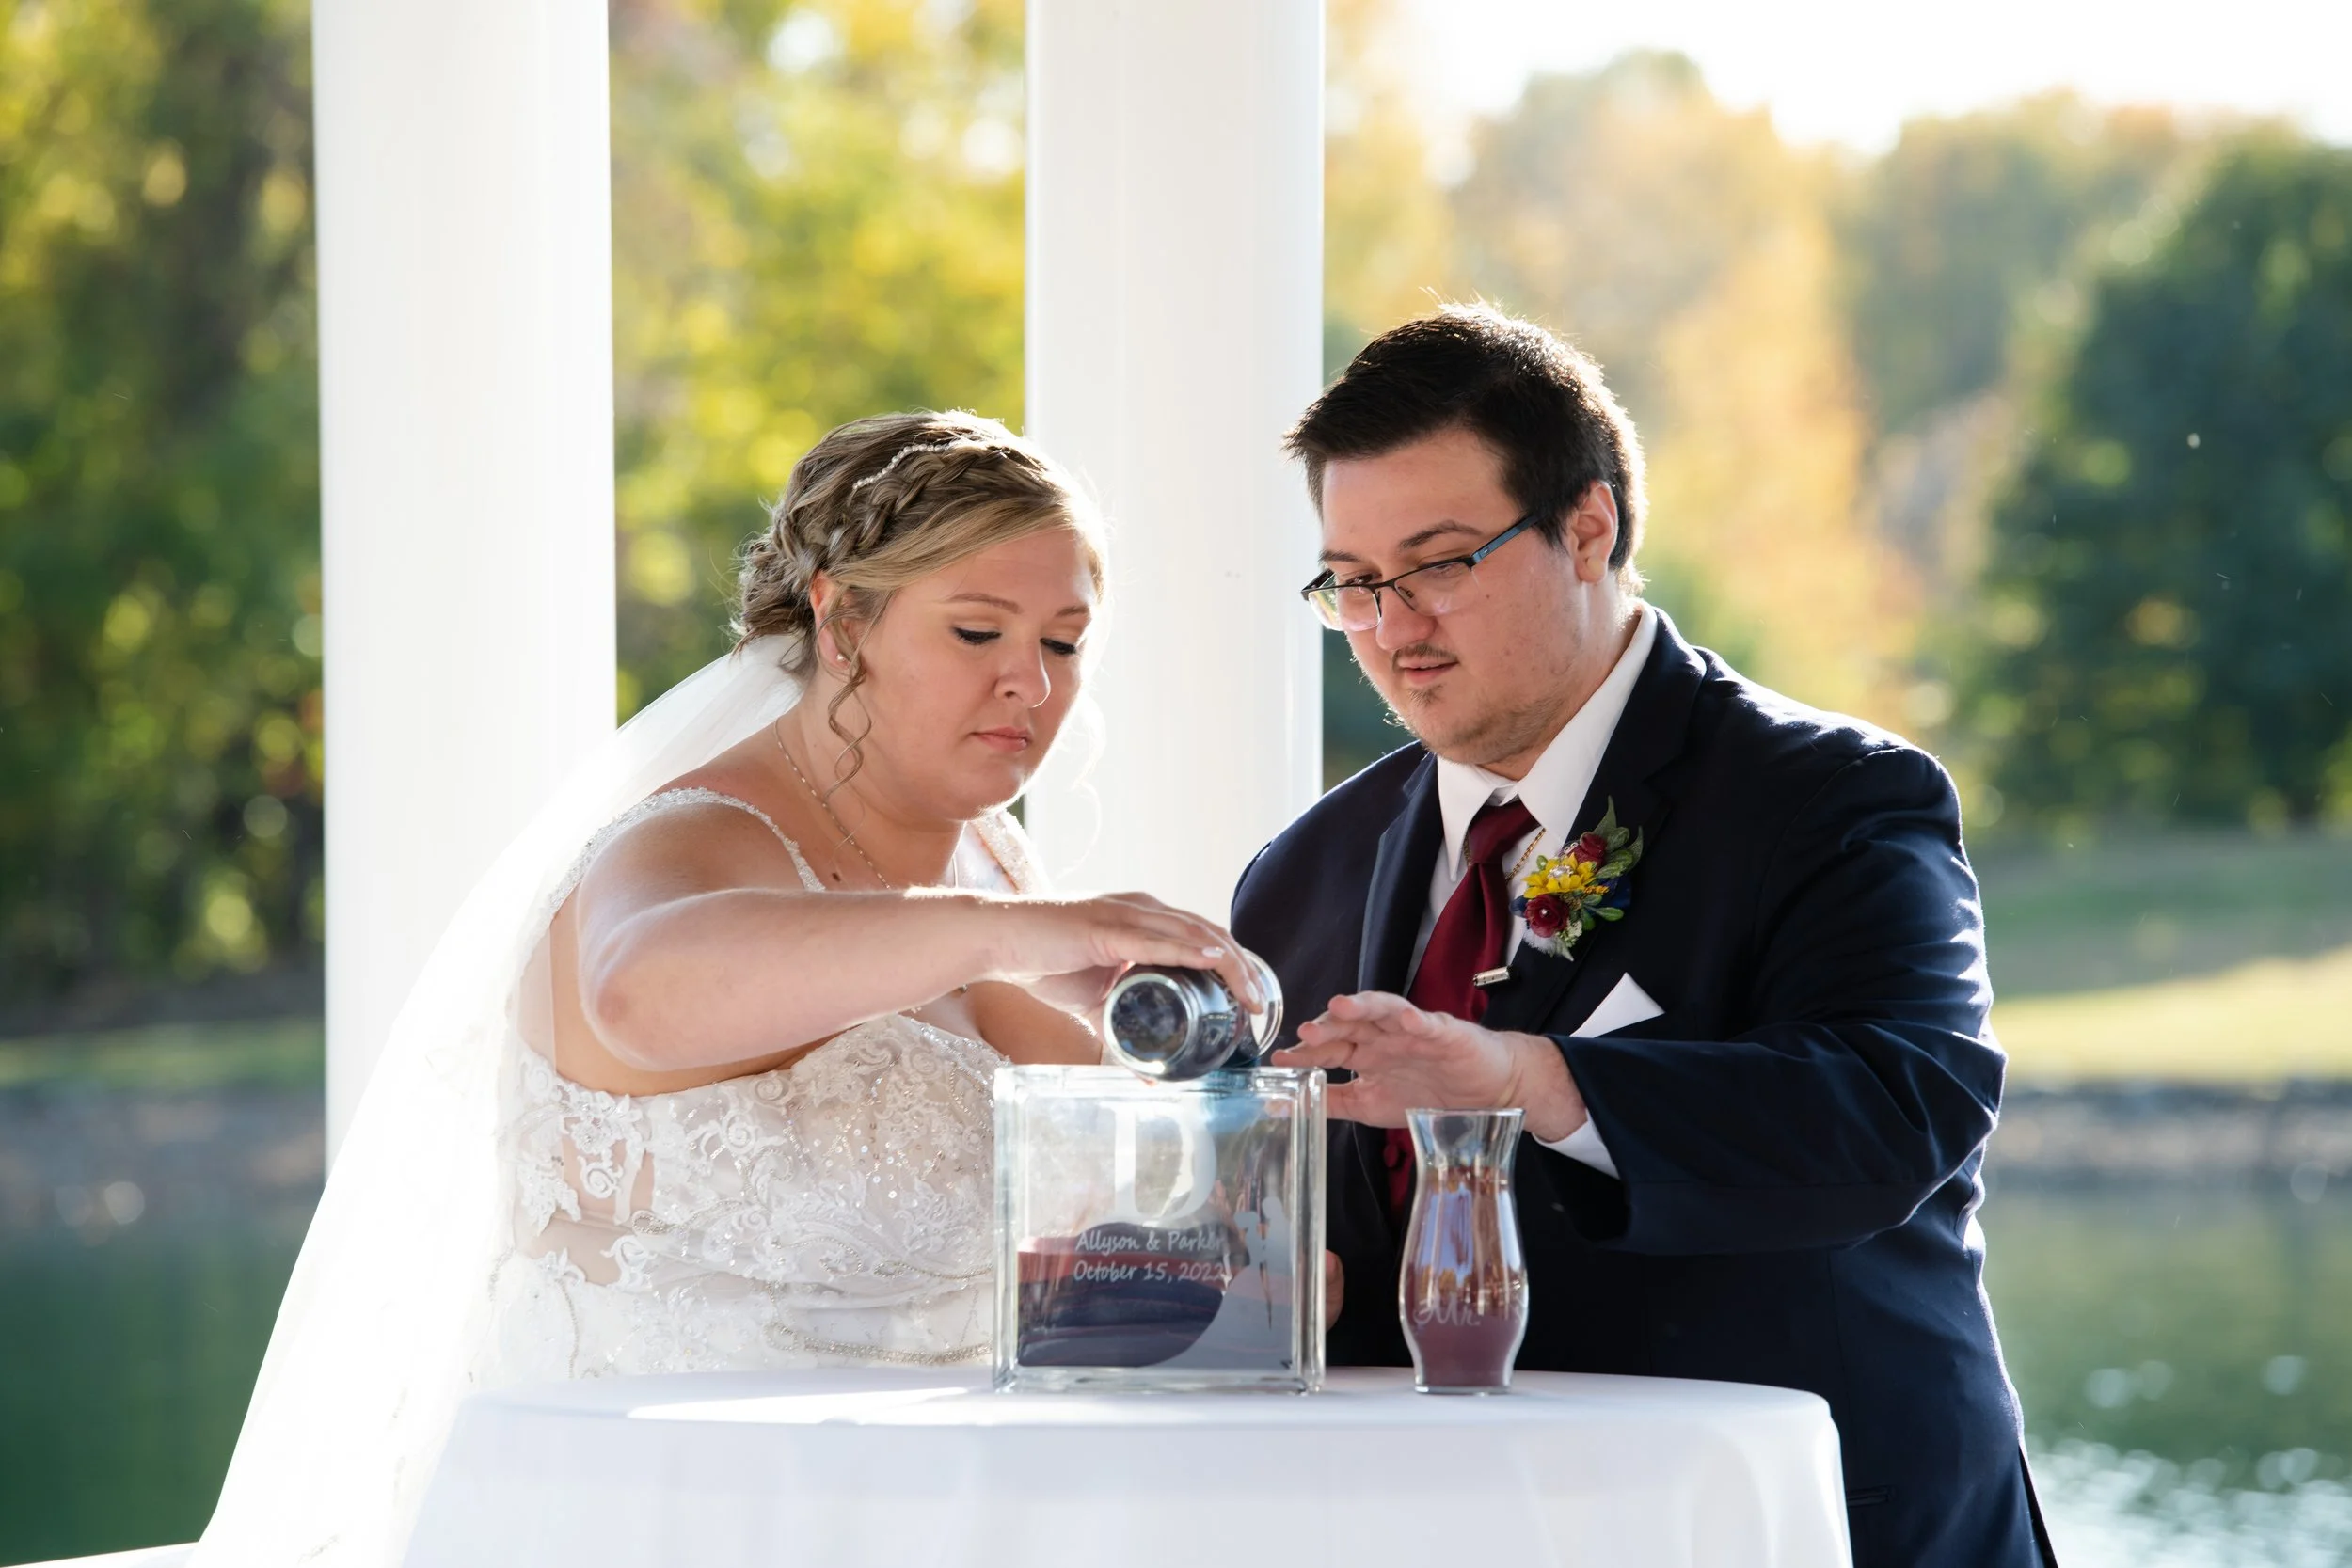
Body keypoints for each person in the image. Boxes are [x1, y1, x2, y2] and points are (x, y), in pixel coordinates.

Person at [193, 411, 1266, 1567]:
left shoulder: (992, 861)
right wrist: (1012, 936)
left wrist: (1238, 1211)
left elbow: (1101, 1190)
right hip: (668, 1517)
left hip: (944, 1516)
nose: (1030, 684)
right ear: (840, 618)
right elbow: (639, 996)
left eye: (1064, 643)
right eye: (976, 630)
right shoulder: (695, 841)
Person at [1232, 307, 2054, 1568]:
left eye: (1441, 561)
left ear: (1587, 528)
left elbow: (1900, 1110)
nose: (1393, 628)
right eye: (1353, 582)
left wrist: (1533, 1078)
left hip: (1801, 1525)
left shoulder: (1832, 798)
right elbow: (1304, 1245)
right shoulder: (1301, 874)